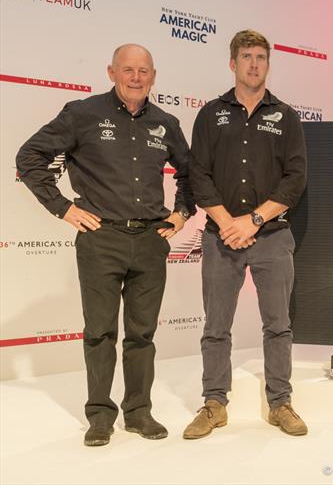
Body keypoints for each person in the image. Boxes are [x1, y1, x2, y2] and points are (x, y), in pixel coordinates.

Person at [16, 44, 194, 446]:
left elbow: (191, 173)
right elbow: (28, 157)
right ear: (111, 72)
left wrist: (182, 212)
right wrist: (63, 208)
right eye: (128, 70)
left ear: (153, 76)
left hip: (150, 240)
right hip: (101, 239)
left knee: (142, 334)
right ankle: (99, 415)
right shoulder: (82, 114)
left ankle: (139, 413)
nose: (136, 78)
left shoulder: (166, 122)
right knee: (99, 333)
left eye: (143, 71)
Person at [183, 29, 308, 439]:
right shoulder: (209, 114)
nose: (254, 64)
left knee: (278, 325)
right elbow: (198, 175)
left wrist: (252, 221)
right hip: (221, 238)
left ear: (268, 64)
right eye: (246, 56)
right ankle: (214, 403)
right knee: (216, 326)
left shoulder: (286, 116)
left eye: (261, 57)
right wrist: (226, 222)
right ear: (232, 63)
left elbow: (295, 180)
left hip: (271, 235)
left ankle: (280, 403)